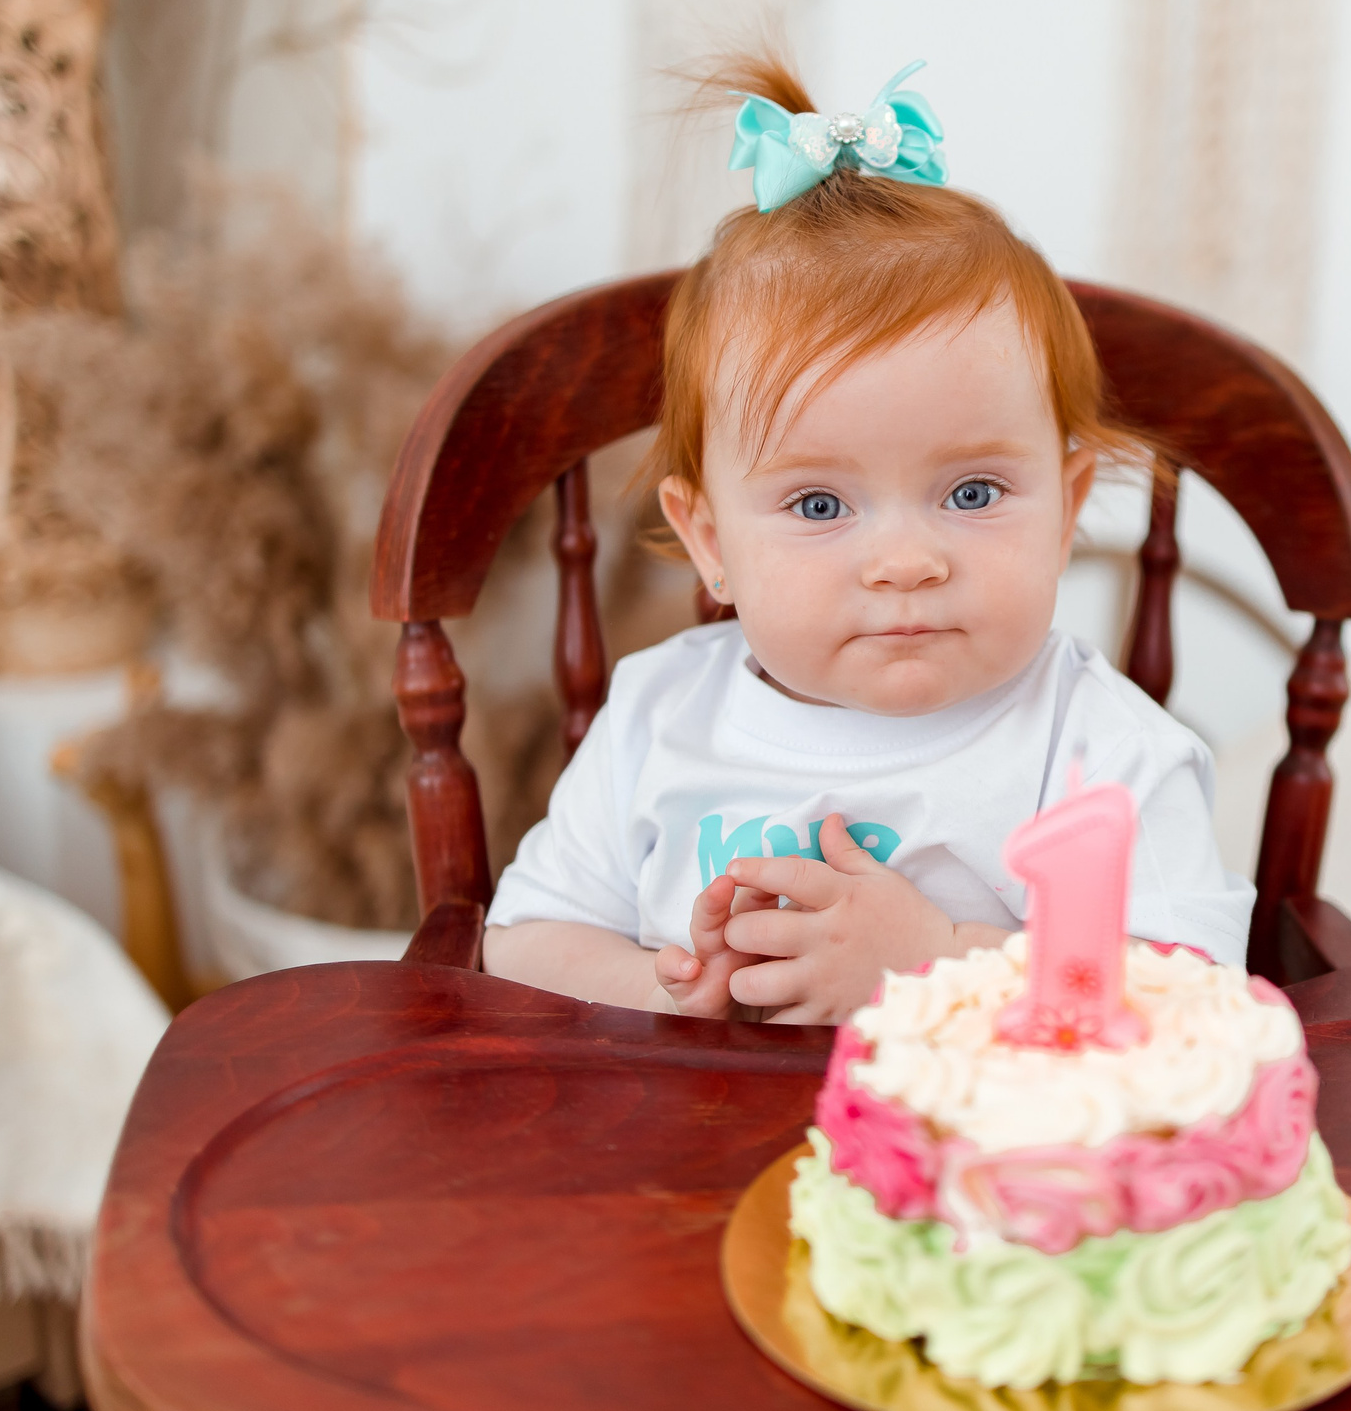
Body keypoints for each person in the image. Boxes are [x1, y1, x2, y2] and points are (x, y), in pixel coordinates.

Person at [480, 55, 1251, 1024]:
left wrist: (942, 964)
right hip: (682, 1163)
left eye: (972, 491)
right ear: (709, 541)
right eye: (817, 506)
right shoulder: (657, 717)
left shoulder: (1099, 750)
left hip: (976, 1172)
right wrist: (664, 993)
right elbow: (523, 946)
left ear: (1067, 506)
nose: (904, 563)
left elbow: (1193, 1004)